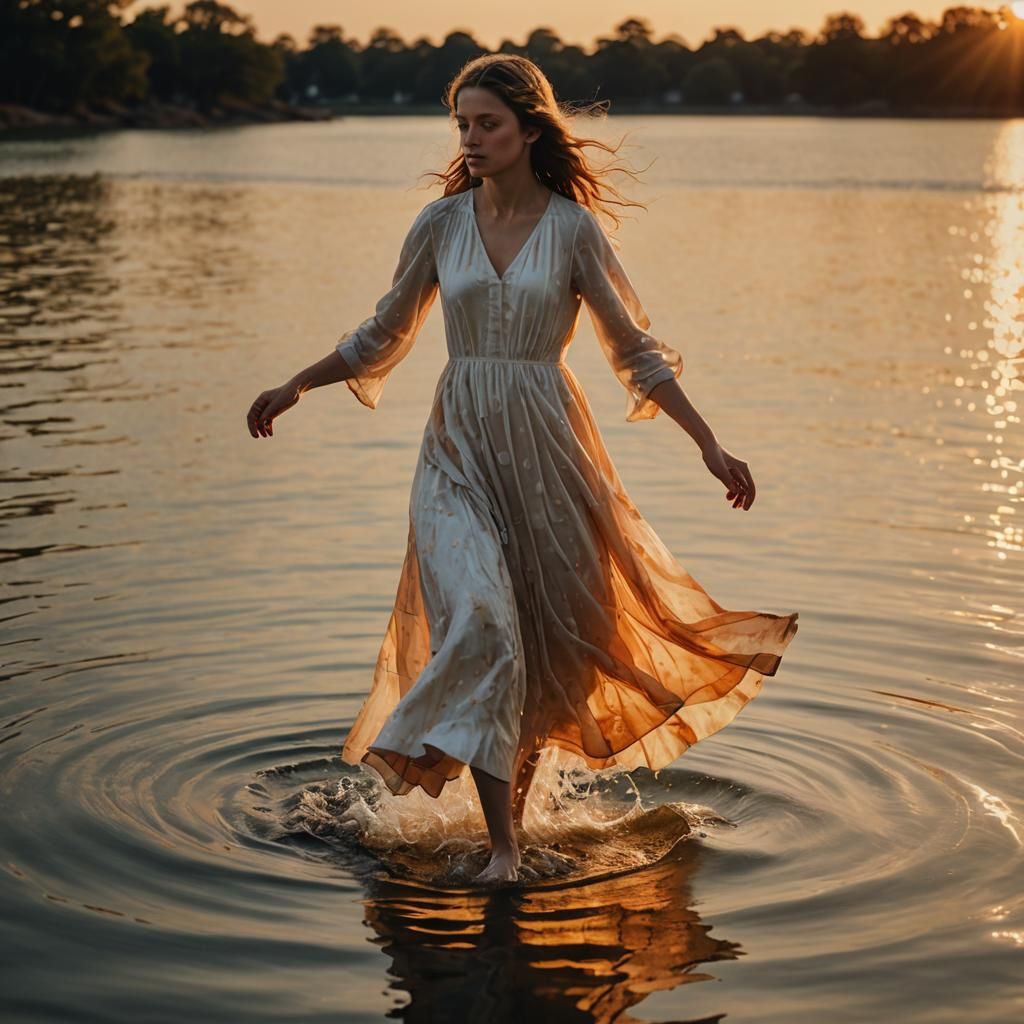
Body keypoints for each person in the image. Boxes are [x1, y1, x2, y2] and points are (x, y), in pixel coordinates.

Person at [246, 54, 799, 886]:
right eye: (462, 124)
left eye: (487, 123)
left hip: (550, 452)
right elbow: (381, 333)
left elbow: (634, 355)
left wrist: (708, 443)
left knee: (545, 648)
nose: (470, 140)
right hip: (457, 451)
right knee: (484, 625)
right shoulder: (440, 225)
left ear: (530, 129)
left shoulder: (574, 231)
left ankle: (516, 826)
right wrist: (296, 383)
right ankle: (506, 850)